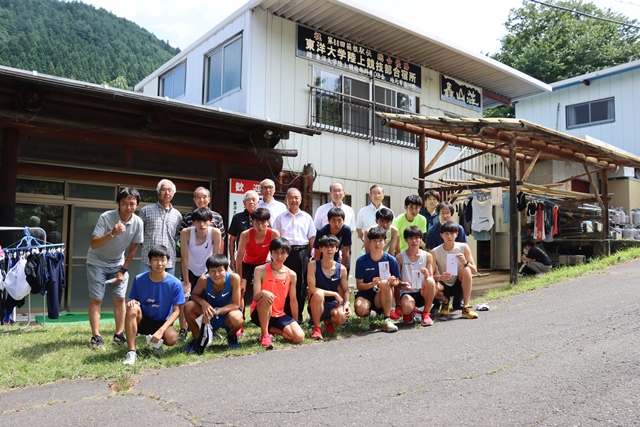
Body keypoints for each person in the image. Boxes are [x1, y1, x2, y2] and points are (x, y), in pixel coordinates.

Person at [87, 187, 143, 350]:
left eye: (132, 203)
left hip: (118, 263)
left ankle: (119, 335)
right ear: (118, 203)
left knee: (120, 298)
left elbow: (133, 249)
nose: (128, 207)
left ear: (136, 205)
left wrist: (123, 270)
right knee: (97, 299)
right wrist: (112, 233)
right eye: (124, 203)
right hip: (96, 261)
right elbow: (94, 243)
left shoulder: (138, 222)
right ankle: (96, 337)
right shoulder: (106, 217)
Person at [122, 245, 185, 365]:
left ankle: (157, 343)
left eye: (163, 260)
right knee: (132, 308)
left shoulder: (175, 283)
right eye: (156, 259)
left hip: (162, 322)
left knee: (172, 338)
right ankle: (131, 352)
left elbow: (176, 311)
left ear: (168, 261)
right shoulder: (139, 279)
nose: (159, 263)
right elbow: (135, 301)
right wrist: (132, 302)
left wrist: (161, 330)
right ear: (149, 261)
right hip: (144, 320)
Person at [250, 237, 305, 349]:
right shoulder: (260, 270)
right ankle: (265, 335)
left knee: (299, 337)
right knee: (266, 298)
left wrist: (295, 322)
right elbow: (255, 297)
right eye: (276, 253)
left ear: (288, 254)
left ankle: (271, 330)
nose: (279, 256)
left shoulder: (292, 274)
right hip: (260, 311)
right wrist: (263, 292)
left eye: (283, 253)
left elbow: (293, 300)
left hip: (279, 314)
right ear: (271, 253)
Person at [184, 254, 243, 351]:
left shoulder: (234, 278)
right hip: (210, 315)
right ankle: (197, 339)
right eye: (212, 271)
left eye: (220, 270)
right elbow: (194, 295)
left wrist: (217, 311)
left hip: (227, 314)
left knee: (237, 318)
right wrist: (204, 303)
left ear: (226, 269)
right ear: (208, 271)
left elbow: (236, 304)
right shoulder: (204, 280)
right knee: (188, 306)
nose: (216, 274)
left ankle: (232, 336)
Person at [178, 208, 222, 340]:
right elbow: (184, 258)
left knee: (209, 299)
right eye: (198, 221)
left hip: (207, 270)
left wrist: (212, 276)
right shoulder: (186, 232)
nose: (202, 225)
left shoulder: (215, 232)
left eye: (205, 221)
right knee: (184, 298)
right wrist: (186, 281)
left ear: (210, 221)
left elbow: (215, 257)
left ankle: (210, 328)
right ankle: (183, 330)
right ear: (193, 222)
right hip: (190, 269)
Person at [273, 188, 315, 322]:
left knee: (301, 284)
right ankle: (283, 313)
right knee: (283, 282)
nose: (294, 200)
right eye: (291, 197)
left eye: (296, 197)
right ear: (286, 200)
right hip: (284, 254)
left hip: (302, 253)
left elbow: (312, 238)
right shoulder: (280, 218)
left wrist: (311, 256)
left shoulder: (307, 217)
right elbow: (276, 237)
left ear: (301, 200)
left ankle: (299, 315)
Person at [235, 208, 280, 330]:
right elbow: (239, 258)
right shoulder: (245, 234)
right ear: (252, 221)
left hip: (263, 264)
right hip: (247, 264)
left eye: (263, 222)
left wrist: (276, 271)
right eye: (257, 223)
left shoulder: (274, 233)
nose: (260, 226)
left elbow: (277, 254)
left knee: (268, 290)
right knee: (241, 291)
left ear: (268, 222)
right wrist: (239, 279)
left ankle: (269, 320)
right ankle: (240, 323)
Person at [354, 226, 401, 333]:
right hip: (366, 295)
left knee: (384, 283)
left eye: (380, 241)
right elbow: (359, 285)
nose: (377, 244)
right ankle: (365, 317)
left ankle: (387, 319)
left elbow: (397, 281)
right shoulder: (361, 261)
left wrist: (394, 281)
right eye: (374, 241)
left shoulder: (391, 260)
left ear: (385, 242)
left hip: (381, 296)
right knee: (359, 308)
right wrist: (372, 284)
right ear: (369, 242)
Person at [424, 201, 467, 312]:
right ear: (438, 214)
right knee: (433, 279)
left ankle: (459, 302)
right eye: (442, 213)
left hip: (456, 264)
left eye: (447, 213)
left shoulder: (459, 229)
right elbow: (430, 253)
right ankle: (438, 303)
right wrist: (437, 274)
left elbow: (464, 249)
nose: (445, 215)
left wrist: (463, 263)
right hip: (439, 264)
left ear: (451, 214)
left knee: (464, 272)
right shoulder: (432, 231)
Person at [432, 221, 479, 320]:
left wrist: (465, 261)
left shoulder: (463, 247)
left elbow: (474, 271)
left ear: (456, 234)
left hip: (459, 283)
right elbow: (430, 276)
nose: (449, 236)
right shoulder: (435, 252)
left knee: (466, 270)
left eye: (452, 233)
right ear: (441, 235)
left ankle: (466, 307)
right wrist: (440, 277)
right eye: (446, 234)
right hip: (443, 285)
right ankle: (445, 302)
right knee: (430, 283)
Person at [307, 235, 351, 340]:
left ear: (336, 249)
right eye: (326, 246)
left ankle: (328, 322)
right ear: (321, 249)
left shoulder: (342, 269)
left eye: (332, 246)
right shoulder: (313, 265)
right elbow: (312, 289)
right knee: (319, 294)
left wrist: (347, 304)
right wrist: (334, 294)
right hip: (316, 303)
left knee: (342, 317)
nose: (329, 249)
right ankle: (317, 328)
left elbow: (346, 290)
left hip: (333, 304)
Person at [139, 179, 182, 275]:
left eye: (170, 190)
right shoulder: (145, 211)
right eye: (164, 189)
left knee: (167, 289)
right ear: (158, 192)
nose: (167, 193)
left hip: (168, 261)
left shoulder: (177, 215)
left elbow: (176, 237)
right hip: (148, 260)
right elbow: (140, 235)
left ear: (173, 194)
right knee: (146, 288)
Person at [396, 226, 436, 326]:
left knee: (431, 281)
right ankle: (410, 311)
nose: (414, 241)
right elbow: (396, 281)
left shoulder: (427, 256)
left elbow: (430, 277)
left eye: (417, 238)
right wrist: (402, 283)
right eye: (411, 238)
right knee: (406, 307)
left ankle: (426, 313)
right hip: (407, 292)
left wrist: (427, 275)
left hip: (422, 291)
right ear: (406, 240)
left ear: (420, 239)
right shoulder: (400, 257)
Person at [177, 187, 226, 254]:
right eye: (198, 197)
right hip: (192, 257)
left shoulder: (217, 216)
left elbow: (221, 239)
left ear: (209, 199)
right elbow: (181, 238)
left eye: (204, 197)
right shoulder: (188, 216)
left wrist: (218, 260)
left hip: (211, 257)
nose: (201, 200)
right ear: (194, 200)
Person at [228, 190, 259, 270]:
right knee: (241, 281)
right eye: (248, 200)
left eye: (253, 199)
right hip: (242, 257)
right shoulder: (237, 217)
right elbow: (232, 239)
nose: (251, 202)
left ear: (258, 202)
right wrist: (232, 259)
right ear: (244, 203)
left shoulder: (262, 218)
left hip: (259, 258)